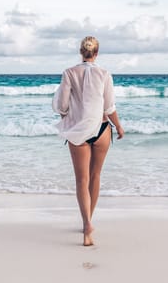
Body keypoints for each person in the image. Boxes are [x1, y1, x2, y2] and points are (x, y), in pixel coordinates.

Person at [52, 36, 124, 246]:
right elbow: (109, 106)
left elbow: (62, 105)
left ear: (80, 52)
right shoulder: (104, 73)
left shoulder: (69, 73)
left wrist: (66, 114)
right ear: (97, 53)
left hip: (79, 131)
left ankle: (86, 226)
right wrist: (118, 126)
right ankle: (88, 221)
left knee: (81, 180)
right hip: (102, 129)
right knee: (95, 176)